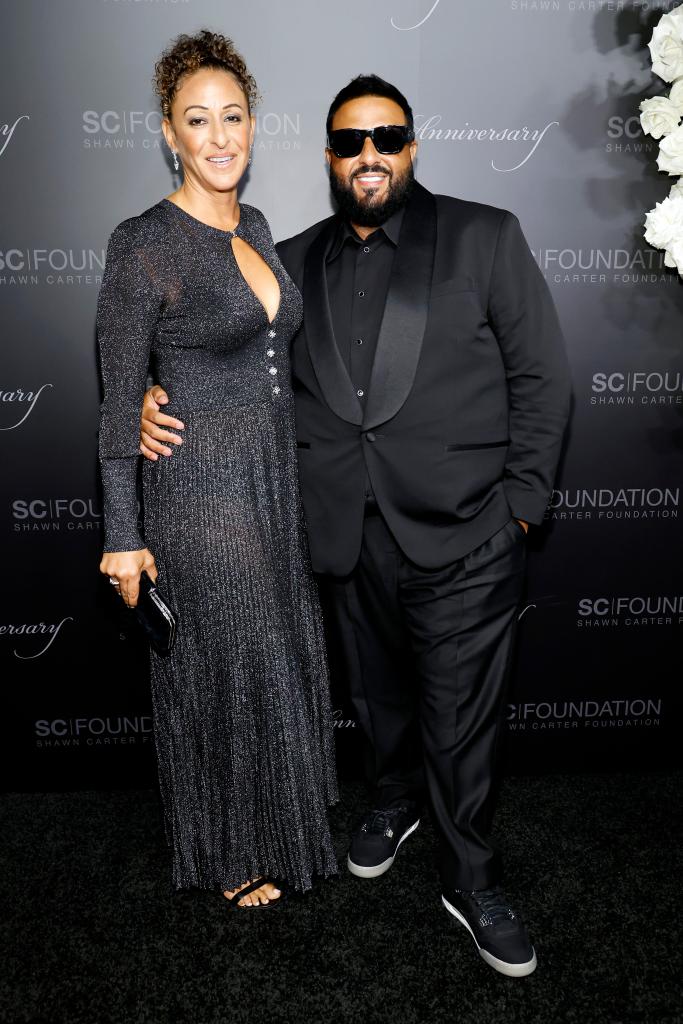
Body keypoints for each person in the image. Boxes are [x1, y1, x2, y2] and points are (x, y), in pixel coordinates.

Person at [140, 75, 571, 971]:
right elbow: (229, 369)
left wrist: (521, 512)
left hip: (466, 533)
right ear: (329, 156)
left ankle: (471, 878)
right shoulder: (285, 259)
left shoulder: (482, 236)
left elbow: (543, 377)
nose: (367, 153)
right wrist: (153, 395)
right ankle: (390, 798)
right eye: (349, 141)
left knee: (459, 718)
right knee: (375, 700)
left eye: (387, 135)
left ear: (412, 144)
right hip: (340, 534)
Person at [97, 30, 338, 910]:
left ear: (251, 123)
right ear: (169, 132)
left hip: (270, 483)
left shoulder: (260, 225)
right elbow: (116, 398)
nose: (219, 136)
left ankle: (282, 822)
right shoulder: (143, 243)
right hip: (198, 493)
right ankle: (231, 848)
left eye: (232, 116)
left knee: (273, 650)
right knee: (232, 664)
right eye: (197, 120)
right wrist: (123, 540)